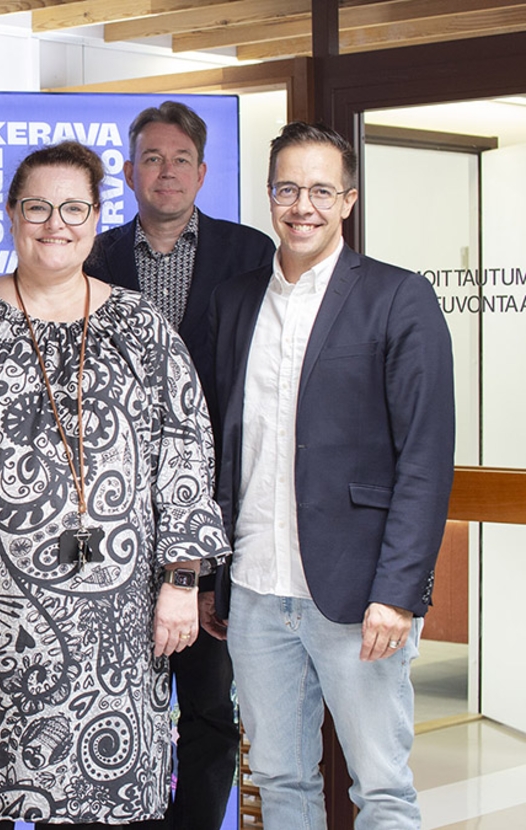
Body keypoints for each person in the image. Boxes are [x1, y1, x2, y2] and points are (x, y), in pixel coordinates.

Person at [0, 141, 230, 829]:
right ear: (10, 214)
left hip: (110, 633)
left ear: (96, 218)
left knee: (97, 805)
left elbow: (184, 461)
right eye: (37, 207)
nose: (55, 224)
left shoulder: (142, 329)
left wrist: (182, 583)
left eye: (73, 208)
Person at [209, 122, 454, 829]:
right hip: (256, 588)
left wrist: (398, 594)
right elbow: (225, 448)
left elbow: (424, 460)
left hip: (358, 596)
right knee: (279, 778)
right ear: (269, 196)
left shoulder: (397, 297)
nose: (302, 206)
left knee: (382, 788)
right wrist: (213, 576)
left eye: (321, 190)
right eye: (287, 189)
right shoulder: (235, 301)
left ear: (348, 199)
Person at [84, 102, 274, 830]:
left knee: (208, 705)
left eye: (180, 159)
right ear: (129, 172)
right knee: (111, 702)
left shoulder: (251, 253)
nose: (166, 172)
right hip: (113, 516)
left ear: (202, 171)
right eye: (152, 158)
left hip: (214, 512)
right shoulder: (89, 254)